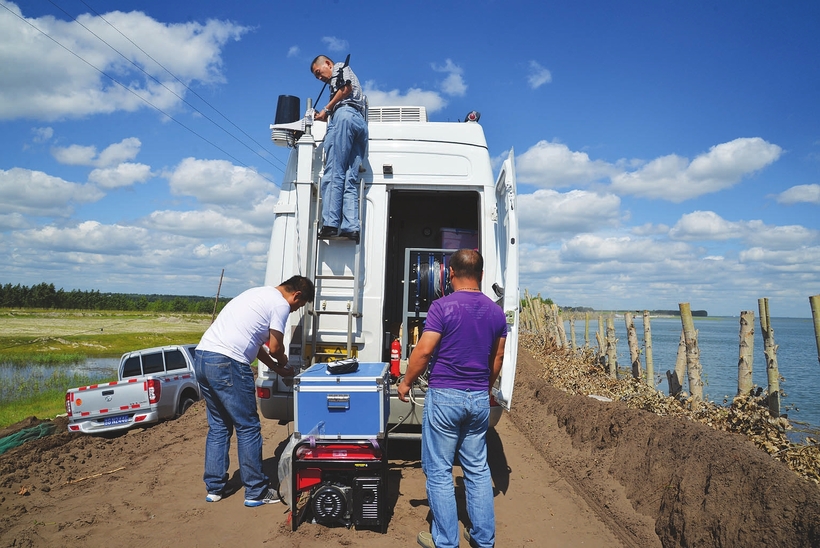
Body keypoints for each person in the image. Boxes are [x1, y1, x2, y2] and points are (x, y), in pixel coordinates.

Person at [398, 249, 507, 548]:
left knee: (439, 470)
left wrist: (406, 382)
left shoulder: (441, 307)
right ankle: (484, 540)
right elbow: (497, 357)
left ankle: (445, 541)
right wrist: (485, 387)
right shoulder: (497, 312)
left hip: (445, 395)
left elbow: (423, 351)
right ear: (482, 275)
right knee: (477, 468)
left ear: (450, 273)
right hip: (477, 398)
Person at [194, 276, 315, 507]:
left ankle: (215, 488)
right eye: (296, 307)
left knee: (219, 426)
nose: (292, 310)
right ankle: (256, 492)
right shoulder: (279, 303)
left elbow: (256, 344)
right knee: (248, 426)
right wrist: (283, 359)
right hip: (228, 362)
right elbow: (275, 346)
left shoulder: (255, 294)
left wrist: (275, 368)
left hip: (203, 357)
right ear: (296, 295)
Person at [310, 54, 368, 244]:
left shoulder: (340, 68)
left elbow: (345, 89)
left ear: (328, 64)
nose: (320, 78)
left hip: (344, 117)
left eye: (319, 73)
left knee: (334, 172)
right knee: (350, 178)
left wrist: (326, 110)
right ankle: (351, 227)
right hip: (359, 122)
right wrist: (324, 115)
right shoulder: (339, 78)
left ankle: (330, 224)